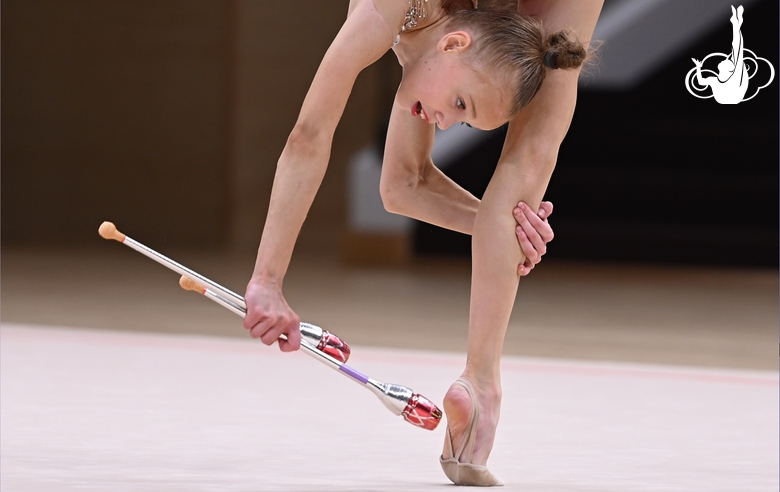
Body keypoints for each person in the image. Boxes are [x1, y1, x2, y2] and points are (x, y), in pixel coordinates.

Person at [242, 0, 604, 486]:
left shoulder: (436, 43)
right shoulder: (383, 14)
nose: (448, 122)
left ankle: (481, 384)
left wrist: (502, 232)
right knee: (528, 160)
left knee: (534, 141)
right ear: (454, 42)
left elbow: (404, 185)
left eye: (465, 117)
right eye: (460, 105)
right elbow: (311, 137)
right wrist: (267, 280)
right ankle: (482, 384)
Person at [692, 5, 747, 104]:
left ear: (729, 69)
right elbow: (701, 82)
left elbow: (737, 48)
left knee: (737, 50)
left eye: (727, 61)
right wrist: (698, 67)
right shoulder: (714, 80)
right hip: (726, 99)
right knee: (736, 51)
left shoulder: (734, 77)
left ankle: (736, 23)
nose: (725, 59)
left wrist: (736, 25)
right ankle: (736, 24)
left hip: (733, 97)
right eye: (727, 60)